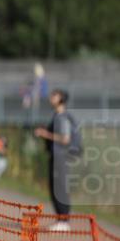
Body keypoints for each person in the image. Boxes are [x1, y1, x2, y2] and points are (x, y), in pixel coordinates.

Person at [34, 89, 77, 231]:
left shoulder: (63, 117)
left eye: (54, 95)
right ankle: (60, 219)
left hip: (61, 157)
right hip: (55, 156)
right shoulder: (56, 115)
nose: (51, 97)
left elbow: (65, 139)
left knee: (60, 188)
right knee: (54, 187)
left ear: (61, 99)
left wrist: (45, 134)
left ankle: (64, 221)